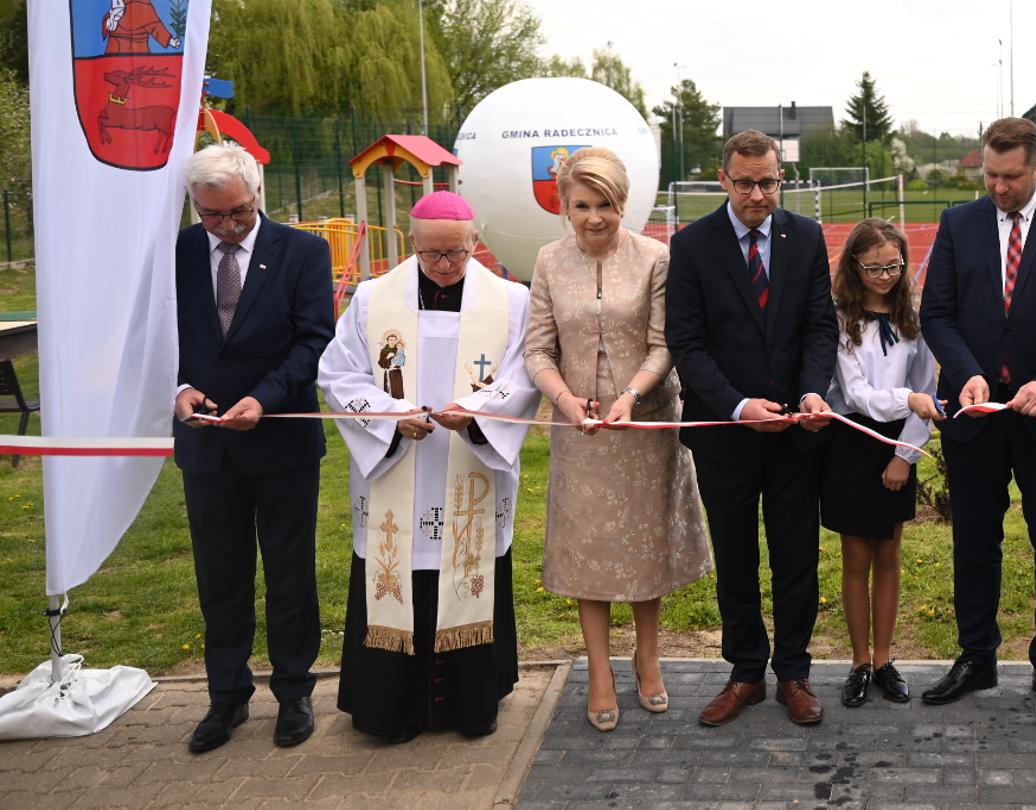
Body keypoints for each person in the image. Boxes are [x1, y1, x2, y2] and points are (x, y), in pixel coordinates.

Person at [317, 191, 541, 743]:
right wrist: (393, 418)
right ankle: (390, 709)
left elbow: (527, 372)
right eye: (433, 254)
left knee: (472, 572)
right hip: (400, 469)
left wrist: (480, 412)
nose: (445, 266)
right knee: (399, 574)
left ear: (474, 244)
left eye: (457, 254)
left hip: (471, 464)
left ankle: (471, 705)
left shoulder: (511, 302)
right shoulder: (373, 300)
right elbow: (337, 374)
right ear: (411, 242)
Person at [919, 116, 1036, 720]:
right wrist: (967, 371)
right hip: (974, 413)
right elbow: (937, 314)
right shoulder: (959, 223)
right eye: (990, 175)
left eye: (1011, 177)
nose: (998, 188)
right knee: (975, 538)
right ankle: (977, 656)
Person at [524, 147, 712, 732]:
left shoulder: (656, 258)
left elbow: (664, 342)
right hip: (579, 432)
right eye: (582, 205)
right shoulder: (550, 261)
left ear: (622, 203)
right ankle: (599, 670)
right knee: (591, 552)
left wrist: (630, 395)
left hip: (645, 425)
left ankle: (648, 656)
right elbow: (538, 349)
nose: (594, 218)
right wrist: (563, 399)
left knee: (643, 546)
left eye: (605, 205)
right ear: (564, 207)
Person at [665, 130, 839, 727]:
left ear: (781, 179)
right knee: (736, 559)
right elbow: (687, 345)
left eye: (768, 182)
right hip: (725, 435)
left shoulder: (808, 237)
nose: (758, 194)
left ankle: (793, 672)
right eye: (745, 183)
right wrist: (739, 407)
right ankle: (745, 673)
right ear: (723, 180)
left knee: (797, 557)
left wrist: (814, 391)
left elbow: (820, 328)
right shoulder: (690, 246)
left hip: (795, 433)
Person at [172, 142, 333, 753]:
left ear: (257, 193)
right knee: (221, 576)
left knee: (290, 573)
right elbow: (157, 335)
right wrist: (181, 388)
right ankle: (226, 698)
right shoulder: (176, 253)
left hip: (282, 439)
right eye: (211, 215)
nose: (226, 226)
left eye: (237, 212)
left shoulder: (303, 252)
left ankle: (294, 693)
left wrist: (263, 399)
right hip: (206, 446)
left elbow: (314, 340)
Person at [821, 218, 940, 708]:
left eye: (893, 266)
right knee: (856, 559)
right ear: (854, 265)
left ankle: (886, 659)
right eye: (873, 267)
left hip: (898, 443)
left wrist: (905, 456)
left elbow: (928, 393)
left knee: (889, 556)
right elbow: (857, 395)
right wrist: (908, 398)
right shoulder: (841, 319)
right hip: (851, 440)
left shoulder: (914, 317)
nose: (884, 275)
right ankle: (858, 662)